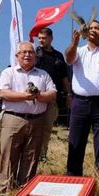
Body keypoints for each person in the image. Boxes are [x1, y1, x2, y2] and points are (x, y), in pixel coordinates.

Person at [0, 42, 56, 194]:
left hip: (37, 120)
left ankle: (25, 191)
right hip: (13, 119)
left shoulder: (43, 74)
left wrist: (39, 95)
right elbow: (3, 93)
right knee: (8, 156)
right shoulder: (8, 72)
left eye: (31, 52)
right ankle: (5, 192)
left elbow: (52, 94)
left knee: (31, 157)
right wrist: (25, 96)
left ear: (35, 56)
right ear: (17, 56)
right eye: (23, 52)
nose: (27, 55)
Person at [65, 19, 99, 183]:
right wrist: (74, 43)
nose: (93, 30)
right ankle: (73, 180)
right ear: (85, 31)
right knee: (76, 142)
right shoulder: (79, 51)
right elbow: (68, 58)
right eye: (91, 27)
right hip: (79, 103)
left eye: (97, 28)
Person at [35, 27, 71, 158]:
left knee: (47, 127)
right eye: (39, 38)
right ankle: (32, 155)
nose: (40, 40)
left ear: (51, 38)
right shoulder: (35, 54)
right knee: (35, 127)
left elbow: (64, 77)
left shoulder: (59, 56)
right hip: (37, 97)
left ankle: (42, 155)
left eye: (43, 38)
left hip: (53, 97)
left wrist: (68, 95)